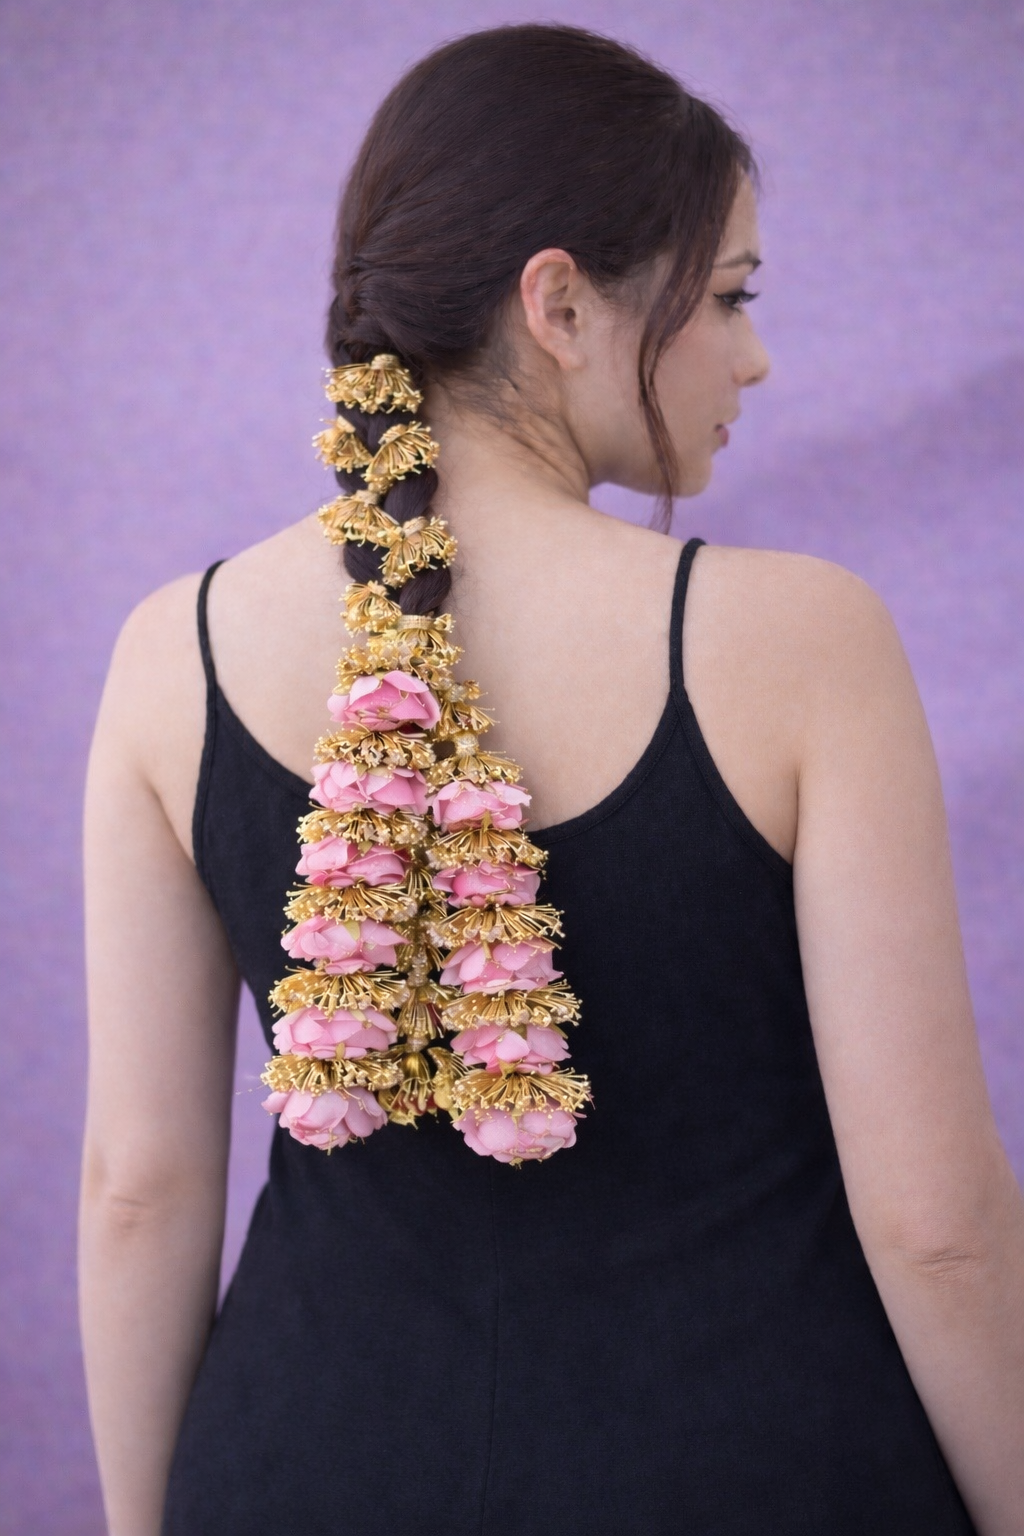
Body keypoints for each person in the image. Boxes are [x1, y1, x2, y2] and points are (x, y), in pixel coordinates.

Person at [79, 23, 1023, 1536]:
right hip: (754, 1467)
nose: (755, 357)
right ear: (561, 303)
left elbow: (140, 1189)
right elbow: (939, 1226)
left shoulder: (167, 653)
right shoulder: (802, 641)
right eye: (731, 297)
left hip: (305, 1468)